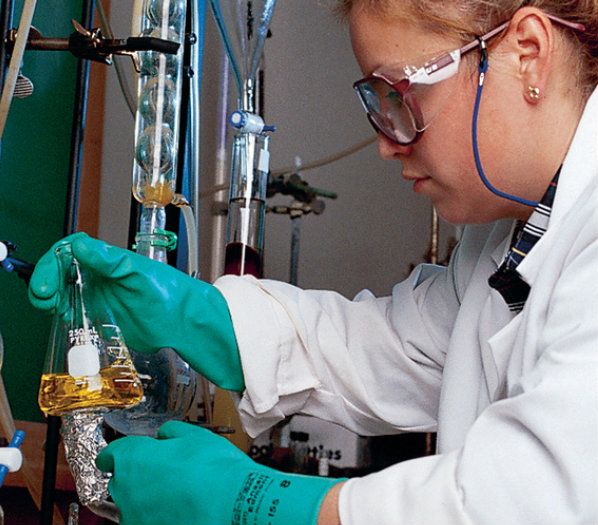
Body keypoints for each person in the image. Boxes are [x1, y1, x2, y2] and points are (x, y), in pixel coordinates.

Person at [29, 0, 598, 523]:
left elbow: (538, 497)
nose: (387, 141)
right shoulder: (505, 237)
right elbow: (398, 350)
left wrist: (259, 505)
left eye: (401, 93)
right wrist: (196, 316)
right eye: (377, 100)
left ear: (527, 54)